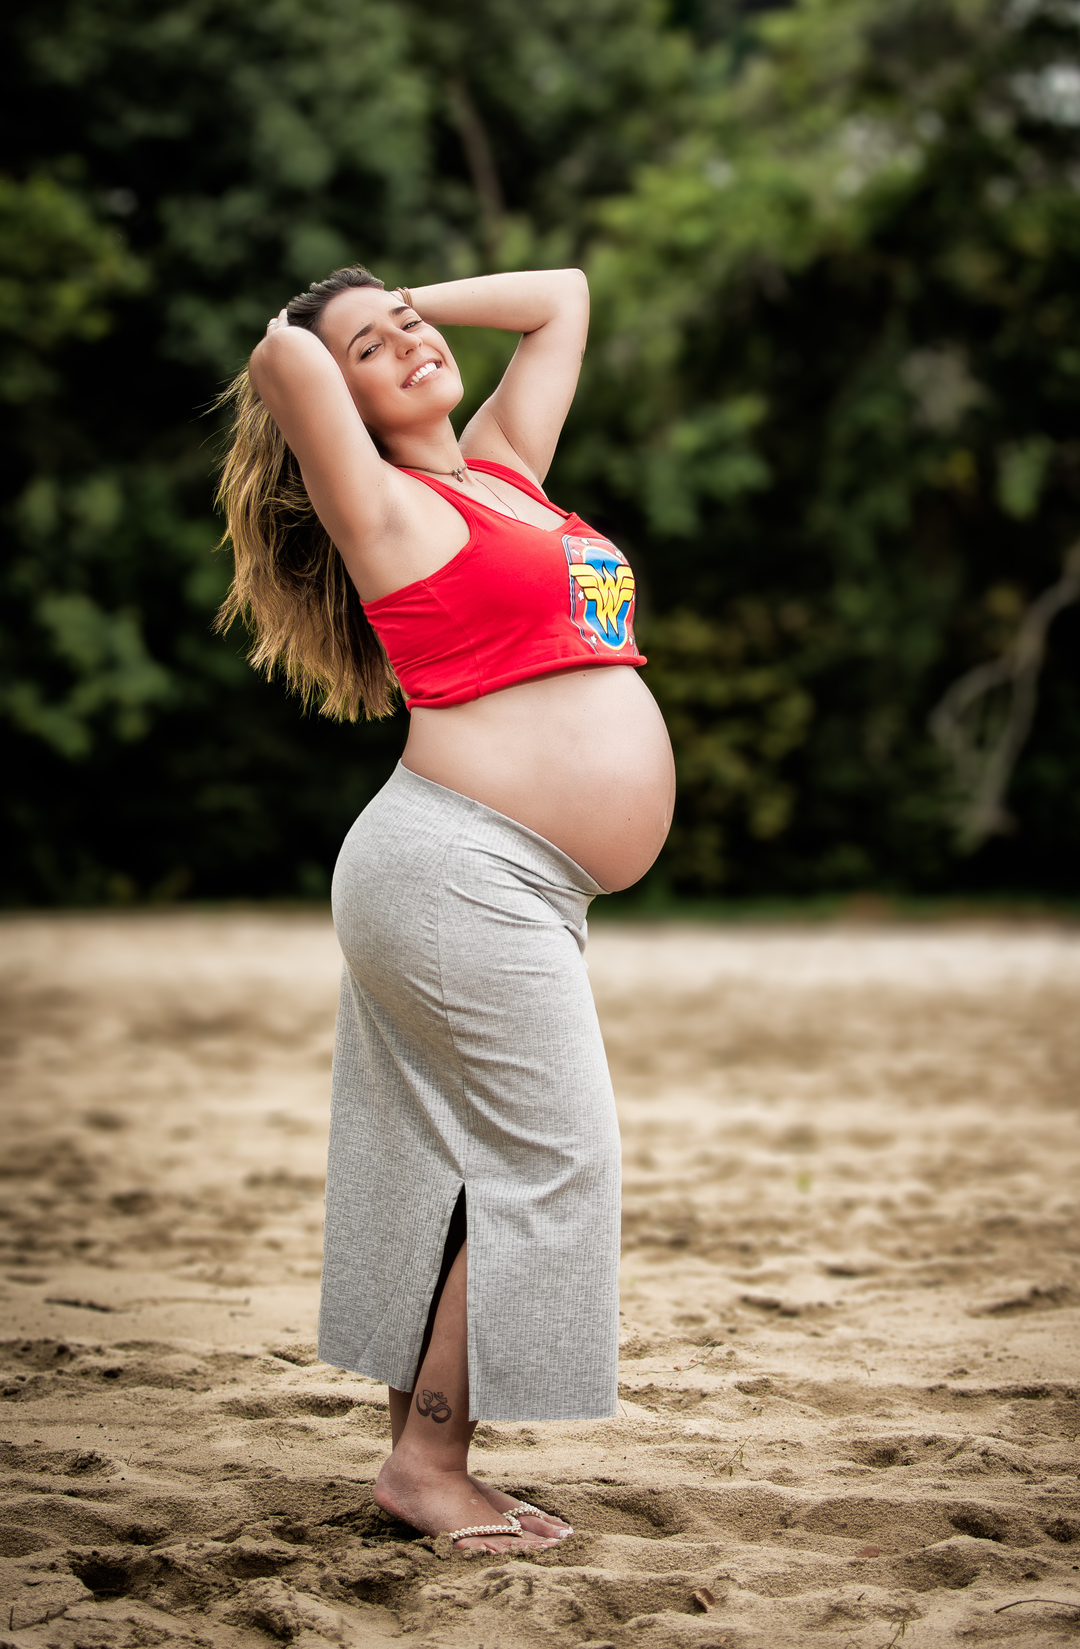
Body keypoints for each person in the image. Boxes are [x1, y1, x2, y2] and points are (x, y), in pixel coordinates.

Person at [217, 267, 675, 1555]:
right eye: (375, 346)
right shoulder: (384, 506)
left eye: (412, 324)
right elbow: (280, 365)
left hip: (516, 882)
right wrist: (317, 330)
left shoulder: (504, 473)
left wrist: (397, 297)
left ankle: (426, 1452)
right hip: (457, 870)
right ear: (339, 399)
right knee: (557, 1157)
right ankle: (425, 1465)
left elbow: (567, 298)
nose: (412, 338)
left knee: (486, 1163)